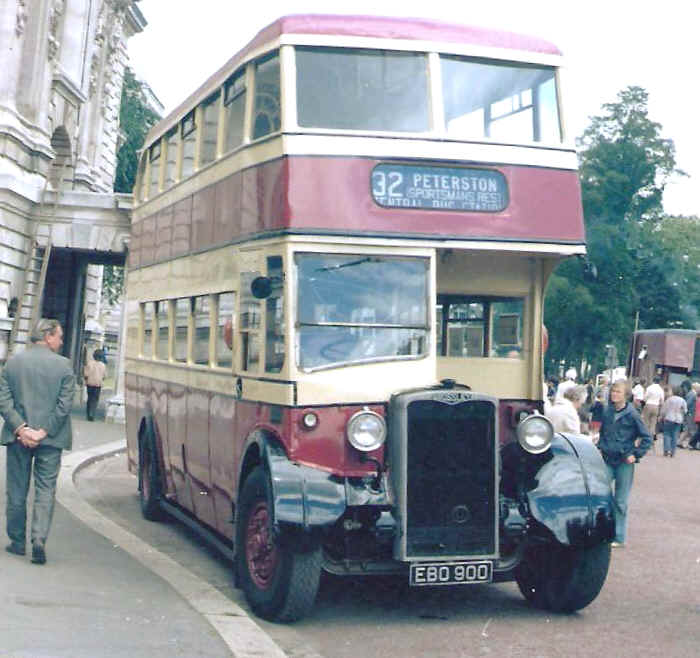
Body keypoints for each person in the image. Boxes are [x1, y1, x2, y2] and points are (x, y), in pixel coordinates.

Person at [0, 319, 75, 565]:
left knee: (17, 489)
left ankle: (18, 541)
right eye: (60, 336)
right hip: (51, 441)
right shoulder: (64, 367)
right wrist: (43, 432)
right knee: (45, 489)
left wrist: (21, 429)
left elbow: (4, 399)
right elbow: (64, 407)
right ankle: (39, 538)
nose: (61, 341)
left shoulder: (13, 363)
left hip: (17, 437)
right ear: (49, 336)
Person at [597, 378, 652, 548]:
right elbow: (603, 432)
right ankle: (602, 532)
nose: (614, 394)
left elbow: (647, 438)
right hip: (607, 458)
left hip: (624, 462)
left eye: (618, 392)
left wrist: (636, 455)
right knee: (601, 495)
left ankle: (619, 537)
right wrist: (600, 446)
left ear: (626, 395)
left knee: (620, 500)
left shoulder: (633, 414)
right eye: (613, 391)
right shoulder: (607, 412)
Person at [659, 387, 687, 457]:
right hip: (678, 419)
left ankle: (666, 450)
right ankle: (673, 452)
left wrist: (661, 416)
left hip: (669, 418)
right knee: (675, 435)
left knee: (667, 434)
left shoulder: (669, 399)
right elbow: (685, 411)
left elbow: (664, 409)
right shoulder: (682, 400)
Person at [83, 348, 107, 421]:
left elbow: (86, 374)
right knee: (95, 399)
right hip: (98, 384)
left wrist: (86, 379)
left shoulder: (89, 363)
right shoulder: (103, 365)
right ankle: (92, 413)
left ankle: (88, 413)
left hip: (90, 384)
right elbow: (105, 376)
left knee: (89, 398)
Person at [678, 380, 696, 449]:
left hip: (690, 414)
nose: (683, 389)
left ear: (686, 386)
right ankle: (690, 444)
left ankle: (682, 442)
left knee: (689, 430)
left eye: (684, 387)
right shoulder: (691, 393)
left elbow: (687, 404)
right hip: (690, 414)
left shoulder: (691, 394)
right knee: (689, 430)